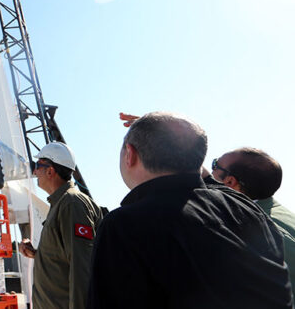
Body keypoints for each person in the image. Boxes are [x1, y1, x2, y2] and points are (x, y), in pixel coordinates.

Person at [87, 112, 293, 309]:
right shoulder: (246, 208)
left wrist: (155, 138)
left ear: (129, 155)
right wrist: (162, 138)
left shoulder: (123, 226)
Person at [19, 142, 104, 309]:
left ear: (50, 171)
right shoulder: (61, 204)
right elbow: (65, 256)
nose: (35, 172)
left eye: (38, 166)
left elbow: (81, 267)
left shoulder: (71, 204)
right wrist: (38, 255)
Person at [211, 147, 295, 298]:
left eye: (215, 164)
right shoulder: (275, 212)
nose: (211, 172)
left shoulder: (265, 234)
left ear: (230, 181)